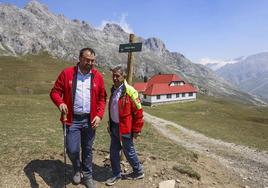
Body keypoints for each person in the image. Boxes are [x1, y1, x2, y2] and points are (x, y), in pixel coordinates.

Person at [50, 47, 107, 188]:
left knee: (87, 149)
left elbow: (102, 98)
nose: (90, 63)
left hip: (90, 119)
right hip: (71, 119)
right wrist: (60, 102)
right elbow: (55, 92)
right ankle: (77, 168)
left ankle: (87, 175)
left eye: (92, 60)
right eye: (87, 60)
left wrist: (99, 115)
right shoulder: (67, 73)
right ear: (80, 58)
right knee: (72, 149)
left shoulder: (97, 76)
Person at [105, 66, 144, 186]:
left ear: (123, 77)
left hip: (126, 128)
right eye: (114, 76)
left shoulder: (130, 91)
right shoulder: (114, 90)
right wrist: (110, 124)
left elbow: (139, 112)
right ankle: (116, 174)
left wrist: (137, 129)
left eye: (118, 76)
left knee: (129, 151)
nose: (115, 78)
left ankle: (138, 171)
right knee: (113, 151)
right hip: (114, 127)